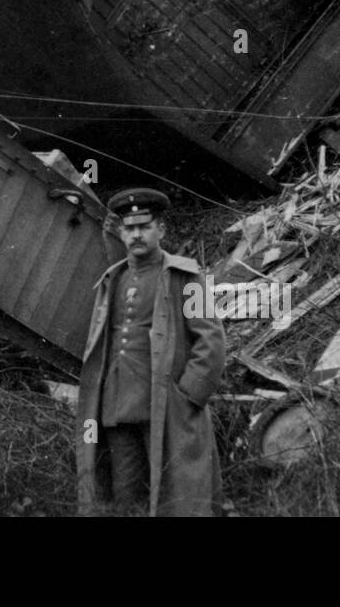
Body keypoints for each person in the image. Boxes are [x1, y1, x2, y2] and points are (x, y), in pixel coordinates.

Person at [75, 188, 225, 516]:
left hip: (166, 407)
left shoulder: (188, 277)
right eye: (129, 228)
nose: (137, 235)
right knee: (126, 497)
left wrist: (188, 396)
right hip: (117, 406)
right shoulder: (112, 280)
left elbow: (211, 341)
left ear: (161, 230)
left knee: (176, 496)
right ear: (121, 232)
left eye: (144, 226)